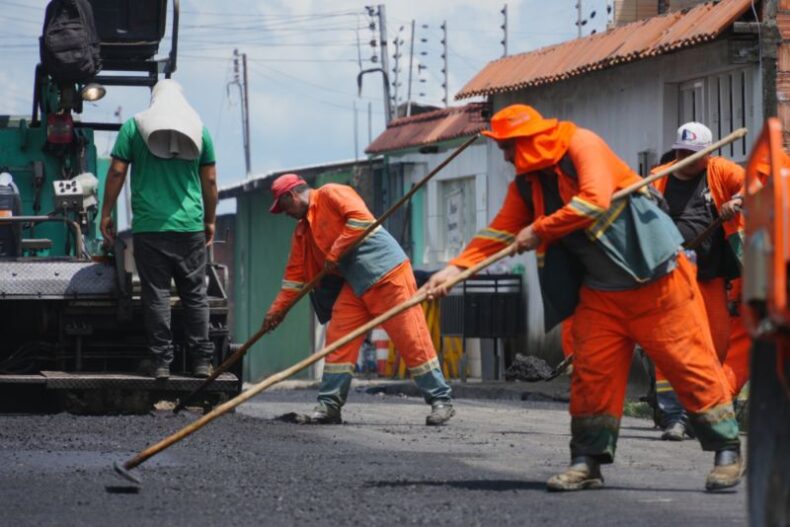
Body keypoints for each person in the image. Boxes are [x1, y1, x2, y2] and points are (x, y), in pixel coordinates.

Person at [423, 104, 742, 492]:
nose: (505, 156)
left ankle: (726, 449)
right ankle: (586, 461)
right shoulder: (528, 184)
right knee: (592, 377)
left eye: (508, 147)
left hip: (657, 282)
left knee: (690, 365)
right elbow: (500, 232)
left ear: (528, 141)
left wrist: (540, 230)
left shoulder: (581, 145)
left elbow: (593, 200)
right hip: (601, 294)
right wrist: (453, 271)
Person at [262, 174, 454, 426]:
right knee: (337, 340)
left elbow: (361, 221)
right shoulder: (302, 233)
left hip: (387, 274)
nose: (284, 213)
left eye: (283, 206)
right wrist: (277, 311)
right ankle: (329, 406)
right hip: (355, 284)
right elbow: (294, 280)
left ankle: (440, 400)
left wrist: (335, 251)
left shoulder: (332, 193)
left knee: (411, 339)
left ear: (292, 195)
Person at [100, 79, 217, 380]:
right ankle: (202, 362)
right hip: (190, 227)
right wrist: (210, 220)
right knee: (195, 295)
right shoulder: (199, 129)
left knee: (157, 295)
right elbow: (211, 181)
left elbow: (116, 171)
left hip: (151, 227)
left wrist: (107, 211)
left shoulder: (134, 127)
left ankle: (161, 363)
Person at [649, 122, 745, 440]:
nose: (686, 159)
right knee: (672, 346)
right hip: (672, 277)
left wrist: (738, 200)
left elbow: (755, 183)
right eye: (681, 153)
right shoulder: (658, 177)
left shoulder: (720, 170)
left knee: (716, 344)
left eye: (692, 154)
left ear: (707, 153)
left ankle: (698, 412)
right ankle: (674, 415)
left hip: (710, 275)